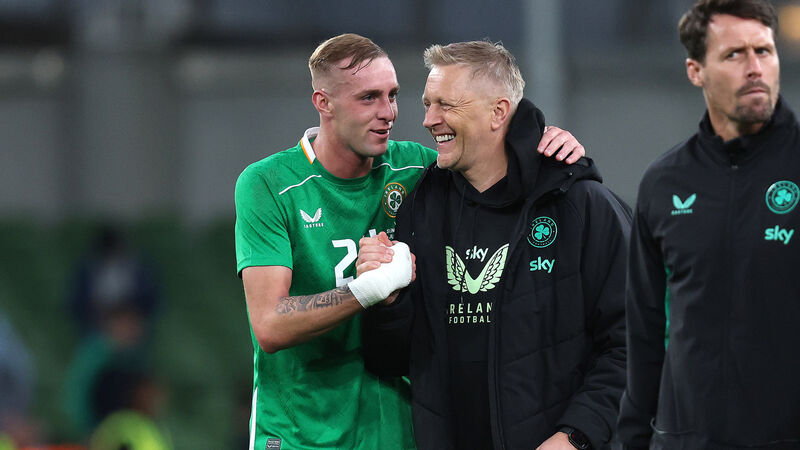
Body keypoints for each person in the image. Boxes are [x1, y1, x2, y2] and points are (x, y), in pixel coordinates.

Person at [234, 34, 586, 450]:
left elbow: (491, 162)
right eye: (369, 98)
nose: (388, 113)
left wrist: (549, 147)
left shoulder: (417, 168)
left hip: (398, 431)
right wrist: (367, 290)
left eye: (393, 95)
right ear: (323, 103)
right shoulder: (269, 184)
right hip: (301, 433)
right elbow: (270, 325)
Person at [358, 40, 631, 450]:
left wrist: (576, 436)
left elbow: (635, 343)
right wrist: (387, 303)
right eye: (427, 104)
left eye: (446, 105)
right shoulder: (422, 207)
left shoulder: (581, 205)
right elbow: (393, 360)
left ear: (499, 112)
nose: (429, 120)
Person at [616, 1, 800, 448]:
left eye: (764, 51)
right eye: (734, 54)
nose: (754, 68)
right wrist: (634, 438)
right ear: (695, 71)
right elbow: (643, 332)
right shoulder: (664, 182)